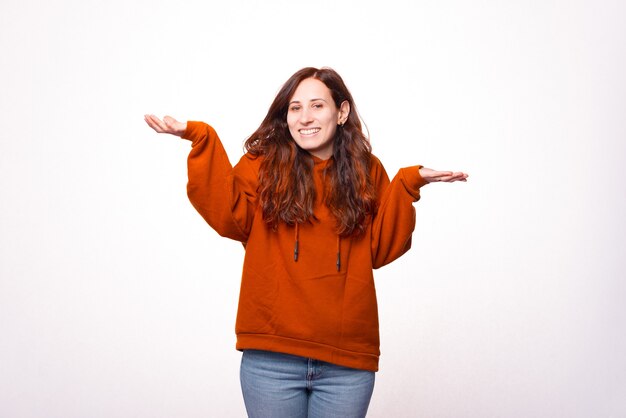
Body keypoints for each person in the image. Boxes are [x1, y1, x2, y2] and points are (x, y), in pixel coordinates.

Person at [145, 67, 467, 418]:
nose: (305, 117)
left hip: (347, 363)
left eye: (317, 105)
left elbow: (381, 249)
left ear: (341, 112)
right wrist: (202, 137)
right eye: (295, 108)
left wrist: (407, 184)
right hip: (271, 359)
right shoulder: (262, 166)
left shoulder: (367, 170)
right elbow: (228, 214)